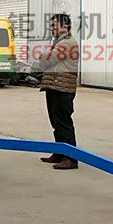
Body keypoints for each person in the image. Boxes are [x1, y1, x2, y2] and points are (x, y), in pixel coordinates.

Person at [37, 14, 80, 170]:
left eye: (54, 25)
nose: (52, 28)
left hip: (63, 88)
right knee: (56, 122)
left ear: (65, 26)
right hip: (55, 86)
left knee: (63, 122)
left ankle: (71, 158)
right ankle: (59, 153)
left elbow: (48, 59)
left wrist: (42, 56)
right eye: (51, 25)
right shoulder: (59, 43)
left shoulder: (68, 43)